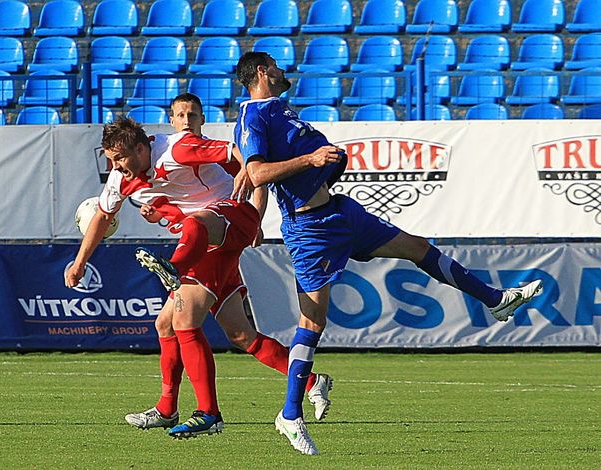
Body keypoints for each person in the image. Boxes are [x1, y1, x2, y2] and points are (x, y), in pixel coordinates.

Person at [233, 52, 543, 455]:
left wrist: (325, 164)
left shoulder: (279, 111)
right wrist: (310, 159)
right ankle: (290, 414)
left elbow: (258, 173)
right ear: (262, 71)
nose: (281, 68)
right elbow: (257, 174)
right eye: (274, 64)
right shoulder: (254, 116)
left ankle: (497, 300)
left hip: (341, 212)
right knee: (312, 323)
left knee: (418, 248)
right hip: (310, 230)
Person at [124, 94, 332, 433]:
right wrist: (155, 213)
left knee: (179, 322)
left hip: (214, 240)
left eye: (192, 113)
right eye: (180, 114)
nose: (187, 119)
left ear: (202, 118)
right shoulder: (165, 158)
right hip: (209, 240)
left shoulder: (197, 150)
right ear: (173, 120)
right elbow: (174, 207)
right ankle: (312, 381)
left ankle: (198, 412)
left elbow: (256, 176)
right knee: (239, 334)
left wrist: (256, 220)